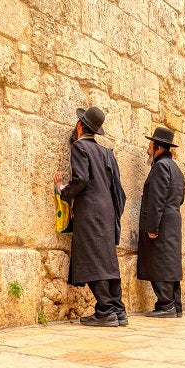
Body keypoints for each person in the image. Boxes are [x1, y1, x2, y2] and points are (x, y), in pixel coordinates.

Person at [54, 106, 128, 326]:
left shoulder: (79, 147)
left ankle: (105, 311)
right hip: (107, 212)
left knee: (92, 260)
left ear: (79, 126)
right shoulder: (106, 153)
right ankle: (118, 310)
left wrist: (63, 190)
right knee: (107, 259)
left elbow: (81, 179)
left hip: (90, 211)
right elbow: (117, 187)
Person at [137, 126, 185, 318]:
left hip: (162, 221)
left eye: (150, 147)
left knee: (160, 262)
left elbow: (157, 198)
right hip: (172, 220)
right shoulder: (176, 169)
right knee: (170, 262)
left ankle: (166, 305)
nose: (148, 151)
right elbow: (179, 198)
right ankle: (173, 305)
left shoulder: (160, 166)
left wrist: (152, 227)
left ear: (158, 148)